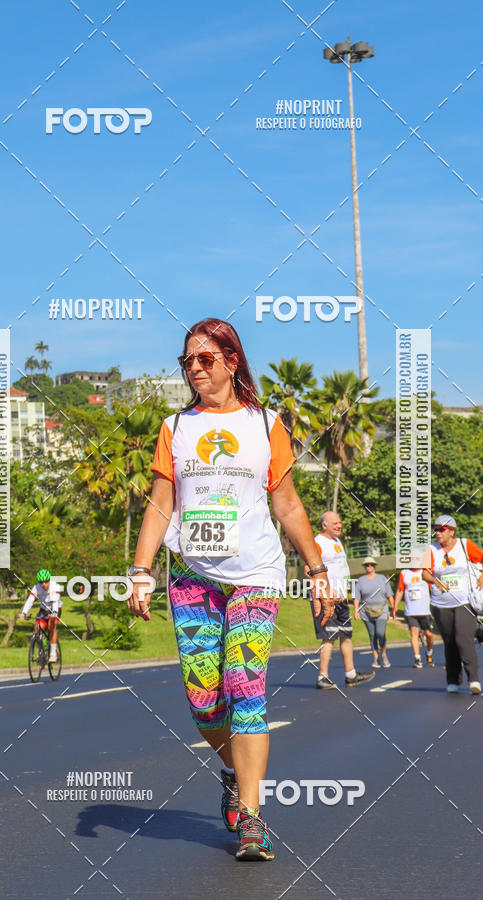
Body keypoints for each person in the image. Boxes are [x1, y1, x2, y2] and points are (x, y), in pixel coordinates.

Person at [126, 318, 333, 862]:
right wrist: (142, 568)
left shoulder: (266, 425)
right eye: (187, 361)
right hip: (193, 576)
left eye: (206, 360)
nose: (195, 369)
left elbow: (286, 503)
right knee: (203, 700)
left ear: (231, 361)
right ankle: (230, 770)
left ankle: (252, 817)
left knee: (245, 685)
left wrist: (316, 569)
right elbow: (160, 503)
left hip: (256, 575)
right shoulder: (177, 426)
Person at [422, 515, 483, 694]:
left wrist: (482, 575)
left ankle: (473, 679)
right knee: (449, 641)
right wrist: (435, 581)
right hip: (440, 603)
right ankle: (453, 680)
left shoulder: (465, 545)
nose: (437, 533)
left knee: (463, 638)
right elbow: (425, 574)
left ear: (451, 531)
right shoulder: (431, 549)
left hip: (464, 600)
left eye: (441, 529)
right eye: (435, 529)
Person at [312, 511, 375, 689]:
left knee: (346, 635)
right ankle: (322, 677)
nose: (339, 526)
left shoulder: (337, 541)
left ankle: (351, 674)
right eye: (335, 523)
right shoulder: (318, 543)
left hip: (341, 599)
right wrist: (323, 593)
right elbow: (310, 569)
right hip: (326, 599)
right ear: (324, 525)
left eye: (340, 523)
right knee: (329, 637)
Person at [393, 553, 434, 668]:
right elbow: (400, 590)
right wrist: (395, 605)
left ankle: (429, 652)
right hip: (411, 610)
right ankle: (417, 658)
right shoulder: (404, 573)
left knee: (429, 634)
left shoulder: (426, 572)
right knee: (414, 633)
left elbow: (433, 587)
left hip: (425, 610)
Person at [353, 557, 394, 668]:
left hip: (382, 610)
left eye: (371, 565)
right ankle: (376, 659)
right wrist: (355, 610)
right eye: (367, 565)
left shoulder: (382, 578)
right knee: (372, 635)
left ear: (375, 566)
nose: (369, 567)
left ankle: (384, 654)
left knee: (380, 633)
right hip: (366, 611)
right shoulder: (360, 580)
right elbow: (357, 597)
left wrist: (393, 607)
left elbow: (389, 594)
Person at [18, 569, 62, 662]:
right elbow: (30, 600)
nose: (44, 584)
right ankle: (42, 651)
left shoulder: (55, 586)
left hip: (55, 608)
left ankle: (53, 653)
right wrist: (24, 612)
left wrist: (54, 612)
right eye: (41, 582)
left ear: (49, 580)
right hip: (44, 610)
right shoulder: (36, 587)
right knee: (37, 630)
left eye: (46, 582)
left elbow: (54, 602)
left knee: (51, 627)